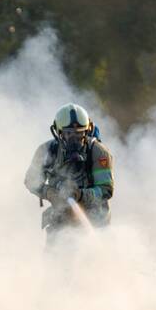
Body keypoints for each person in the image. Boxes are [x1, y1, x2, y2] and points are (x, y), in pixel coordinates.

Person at [24, 103, 114, 243]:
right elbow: (31, 180)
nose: (74, 138)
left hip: (94, 222)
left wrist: (80, 195)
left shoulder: (98, 152)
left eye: (79, 133)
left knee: (93, 255)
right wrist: (49, 193)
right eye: (68, 133)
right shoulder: (47, 151)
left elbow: (105, 190)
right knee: (56, 255)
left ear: (87, 131)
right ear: (58, 132)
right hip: (61, 220)